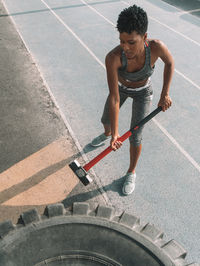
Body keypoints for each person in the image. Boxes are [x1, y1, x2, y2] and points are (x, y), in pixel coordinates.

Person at [91, 5, 174, 195]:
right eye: (121, 41)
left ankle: (131, 172)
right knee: (106, 121)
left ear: (145, 38)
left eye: (131, 42)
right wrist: (114, 134)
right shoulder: (113, 58)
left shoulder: (156, 48)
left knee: (135, 136)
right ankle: (106, 134)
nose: (125, 47)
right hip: (121, 90)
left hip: (143, 92)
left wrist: (165, 94)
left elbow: (169, 63)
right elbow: (114, 98)